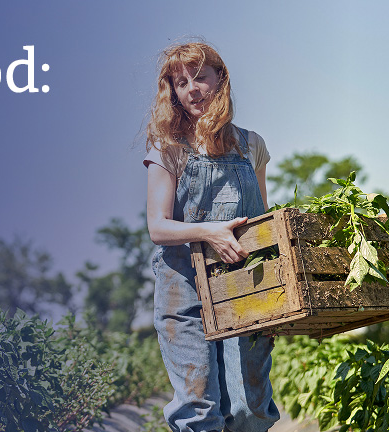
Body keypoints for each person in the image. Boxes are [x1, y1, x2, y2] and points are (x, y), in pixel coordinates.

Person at [143, 42, 280, 432]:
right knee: (199, 409)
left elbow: (261, 223)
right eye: (181, 82)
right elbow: (158, 226)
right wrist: (209, 233)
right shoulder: (169, 148)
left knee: (250, 408)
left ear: (220, 78)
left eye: (200, 77)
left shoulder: (251, 145)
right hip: (184, 286)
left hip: (243, 286)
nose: (192, 89)